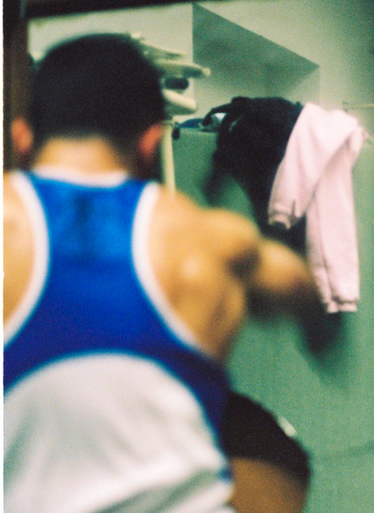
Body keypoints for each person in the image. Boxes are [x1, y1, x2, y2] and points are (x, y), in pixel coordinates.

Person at [4, 33, 325, 512]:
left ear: (22, 138)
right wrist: (310, 322)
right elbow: (302, 290)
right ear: (150, 143)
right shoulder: (209, 241)